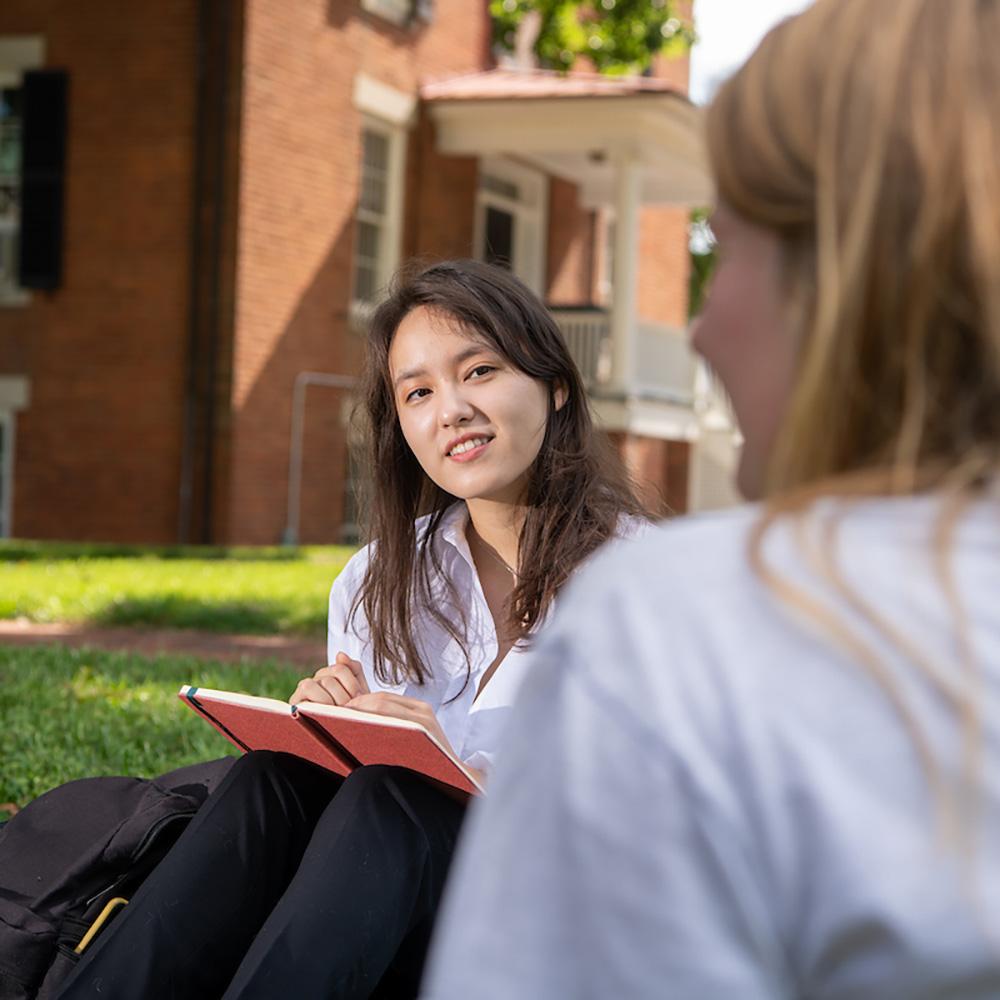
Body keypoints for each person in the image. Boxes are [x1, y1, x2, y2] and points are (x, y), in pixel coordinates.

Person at [421, 2, 1000, 998]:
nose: (696, 332)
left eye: (723, 248)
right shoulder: (398, 575)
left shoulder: (676, 624)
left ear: (846, 277)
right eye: (415, 390)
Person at [57, 259, 646, 999]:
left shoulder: (653, 585)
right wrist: (328, 725)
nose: (451, 410)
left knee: (395, 798)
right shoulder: (377, 577)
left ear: (555, 385)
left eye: (481, 371)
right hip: (386, 921)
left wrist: (480, 784)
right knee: (275, 777)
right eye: (419, 392)